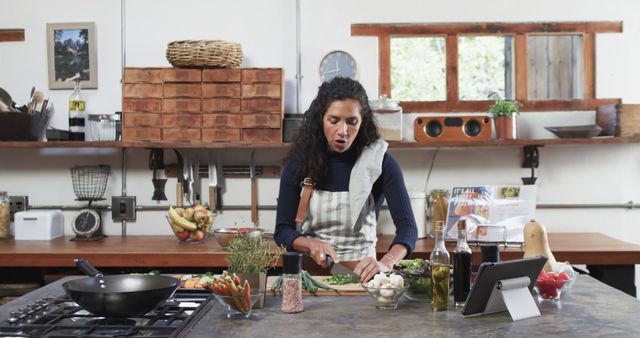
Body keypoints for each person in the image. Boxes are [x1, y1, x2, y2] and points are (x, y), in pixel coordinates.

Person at [274, 77, 418, 282]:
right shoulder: (300, 163)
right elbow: (282, 231)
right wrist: (311, 244)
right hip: (311, 279)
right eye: (334, 121)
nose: (343, 131)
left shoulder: (381, 164)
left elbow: (408, 228)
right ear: (320, 119)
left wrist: (386, 262)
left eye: (352, 122)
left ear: (362, 122)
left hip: (364, 278)